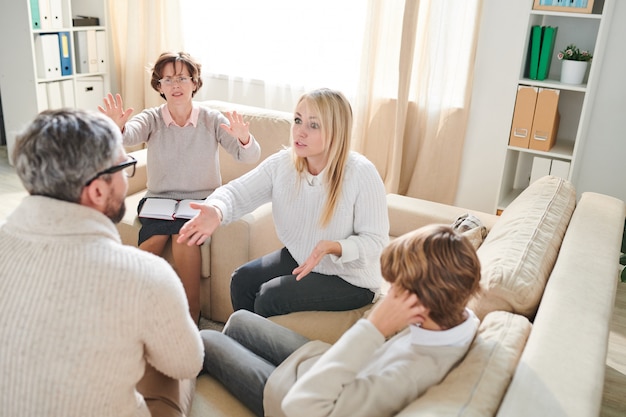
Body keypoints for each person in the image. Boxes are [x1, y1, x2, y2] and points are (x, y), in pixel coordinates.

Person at [0, 109, 204, 417]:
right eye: (124, 166)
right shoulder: (145, 275)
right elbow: (187, 363)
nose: (126, 177)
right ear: (97, 190)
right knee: (190, 350)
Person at [200, 224, 482, 417]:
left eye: (397, 287)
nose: (390, 293)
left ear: (421, 303)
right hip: (324, 361)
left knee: (207, 338)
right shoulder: (457, 320)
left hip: (294, 395)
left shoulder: (408, 376)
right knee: (239, 320)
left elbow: (300, 407)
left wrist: (373, 328)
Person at [177, 88, 389, 317]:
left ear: (336, 132)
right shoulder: (284, 164)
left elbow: (376, 242)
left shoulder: (361, 173)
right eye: (298, 120)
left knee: (270, 297)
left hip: (351, 278)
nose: (300, 131)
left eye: (313, 125)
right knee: (242, 280)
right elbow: (238, 191)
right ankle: (242, 345)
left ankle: (258, 348)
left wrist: (335, 247)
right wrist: (216, 209)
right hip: (303, 257)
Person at [98, 51, 261, 322]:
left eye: (182, 78)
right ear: (159, 86)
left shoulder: (212, 119)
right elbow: (129, 135)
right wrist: (115, 127)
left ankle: (190, 315)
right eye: (168, 79)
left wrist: (245, 138)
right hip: (159, 201)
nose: (175, 85)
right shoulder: (151, 118)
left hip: (200, 202)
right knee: (152, 242)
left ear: (195, 83)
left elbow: (249, 156)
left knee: (184, 238)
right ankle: (126, 305)